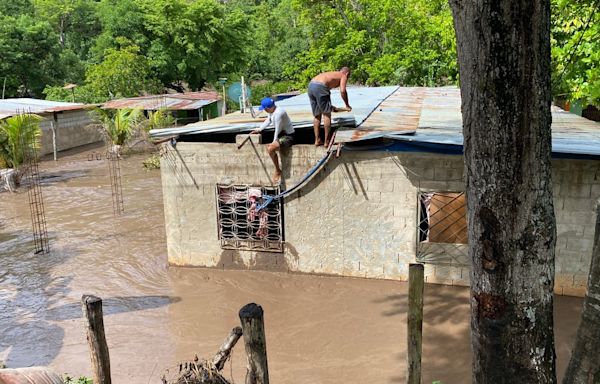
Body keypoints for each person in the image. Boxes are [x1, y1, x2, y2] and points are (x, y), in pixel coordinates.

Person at [251, 97, 295, 181]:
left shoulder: (279, 113)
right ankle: (278, 170)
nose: (265, 111)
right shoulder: (272, 111)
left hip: (288, 136)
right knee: (271, 147)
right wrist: (259, 129)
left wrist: (274, 142)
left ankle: (278, 170)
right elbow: (268, 120)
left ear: (268, 108)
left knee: (270, 148)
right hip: (281, 134)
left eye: (265, 109)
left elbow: (277, 129)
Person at [308, 67, 352, 147]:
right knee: (326, 114)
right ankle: (327, 142)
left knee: (317, 115)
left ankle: (317, 140)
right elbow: (343, 91)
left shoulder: (333, 73)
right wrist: (347, 104)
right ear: (347, 73)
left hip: (311, 85)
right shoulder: (343, 75)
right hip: (321, 86)